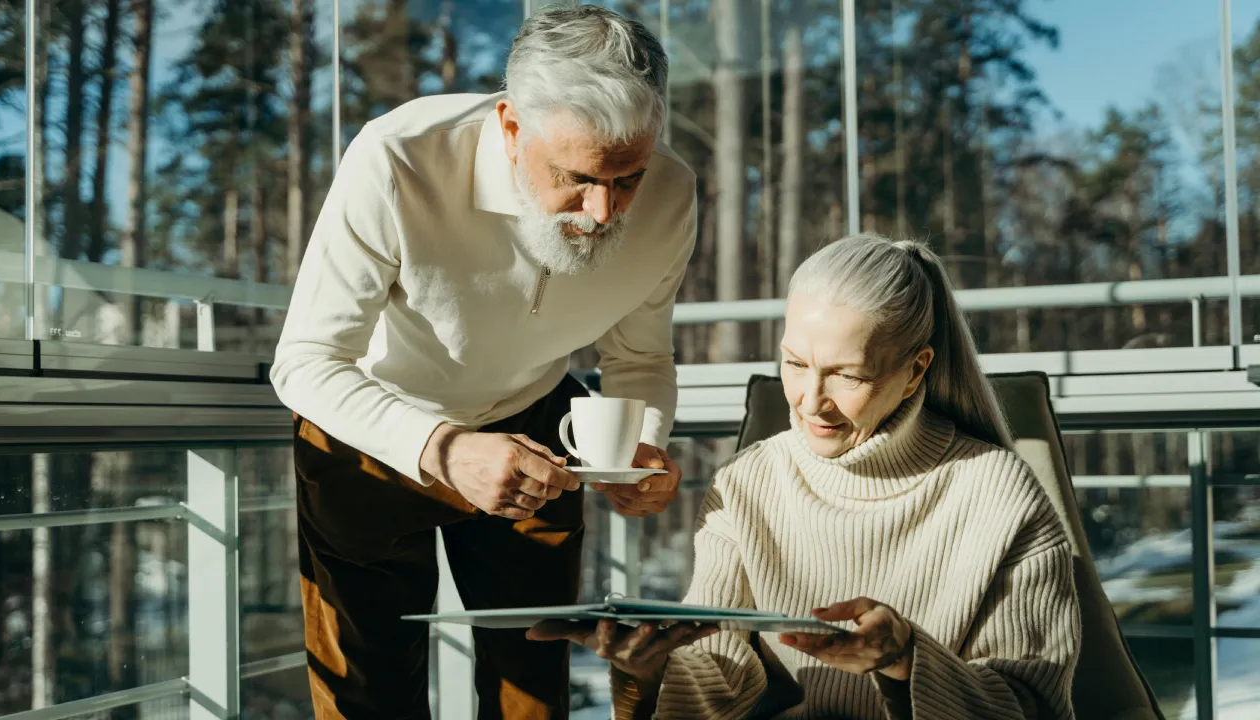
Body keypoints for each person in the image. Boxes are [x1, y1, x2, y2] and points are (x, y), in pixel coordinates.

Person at [269, 6, 696, 718]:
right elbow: (306, 360)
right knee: (365, 699)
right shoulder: (397, 156)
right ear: (509, 126)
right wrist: (443, 447)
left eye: (627, 180)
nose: (602, 212)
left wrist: (645, 444)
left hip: (537, 429)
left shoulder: (674, 194)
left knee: (532, 695)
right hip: (369, 434)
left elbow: (641, 355)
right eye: (576, 177)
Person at [532, 233, 1082, 719]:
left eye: (847, 375)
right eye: (794, 363)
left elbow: (1031, 705)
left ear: (915, 371)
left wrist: (905, 659)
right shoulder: (747, 483)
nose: (810, 401)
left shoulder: (999, 494)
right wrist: (648, 670)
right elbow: (721, 680)